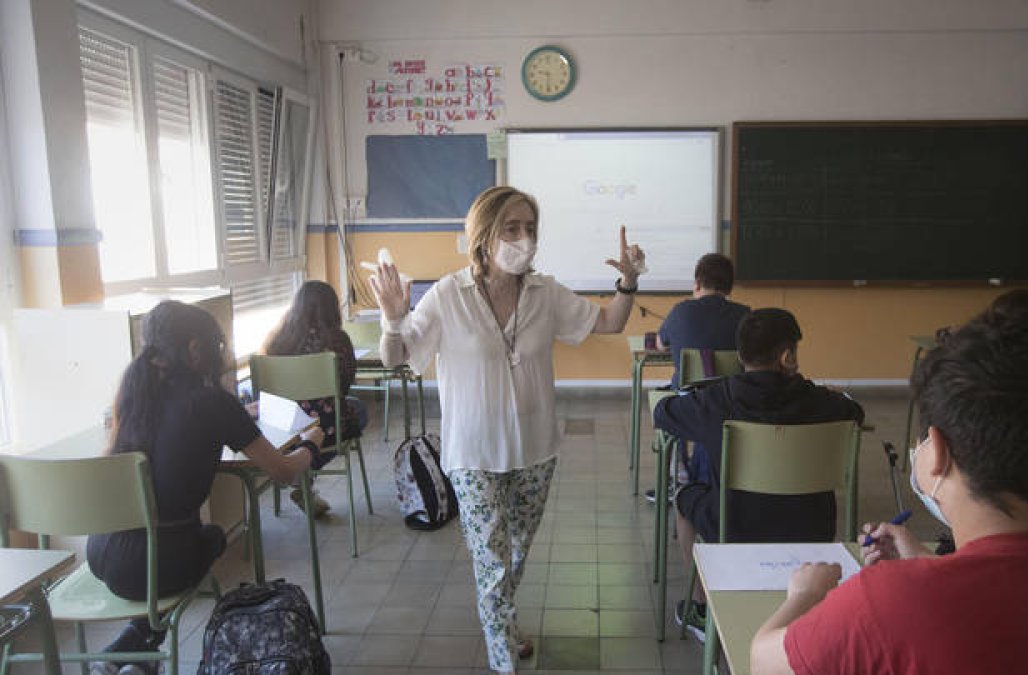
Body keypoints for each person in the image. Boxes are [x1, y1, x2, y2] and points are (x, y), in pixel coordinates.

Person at [750, 310, 1028, 675]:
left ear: (939, 453)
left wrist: (806, 594)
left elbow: (763, 661)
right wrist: (929, 564)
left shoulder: (886, 603)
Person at [369, 185, 645, 674]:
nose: (524, 239)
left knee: (514, 556)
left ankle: (505, 624)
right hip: (472, 455)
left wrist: (628, 283)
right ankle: (504, 662)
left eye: (531, 229)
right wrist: (393, 319)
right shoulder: (448, 295)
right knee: (492, 564)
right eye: (512, 228)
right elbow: (398, 357)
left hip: (535, 449)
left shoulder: (545, 292)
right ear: (485, 234)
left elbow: (608, 323)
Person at [88, 301, 322, 675]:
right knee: (212, 536)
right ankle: (136, 652)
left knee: (166, 551)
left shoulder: (133, 393)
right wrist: (312, 441)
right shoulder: (212, 402)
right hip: (156, 563)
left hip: (101, 552)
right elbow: (284, 472)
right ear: (195, 348)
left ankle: (134, 653)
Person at [653, 308, 864, 641]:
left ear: (740, 356)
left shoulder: (716, 401)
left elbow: (662, 413)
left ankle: (704, 611)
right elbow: (855, 411)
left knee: (684, 500)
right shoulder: (823, 404)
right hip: (811, 527)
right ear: (788, 356)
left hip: (734, 523)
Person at [264, 280, 369, 517]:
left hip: (283, 425)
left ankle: (299, 471)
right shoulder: (337, 340)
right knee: (359, 410)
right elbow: (343, 385)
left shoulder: (278, 340)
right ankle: (304, 472)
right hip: (322, 426)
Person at [651, 253, 751, 499]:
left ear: (697, 284)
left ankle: (680, 472)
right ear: (730, 287)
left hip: (688, 399)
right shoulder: (745, 315)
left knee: (668, 399)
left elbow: (661, 345)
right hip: (732, 401)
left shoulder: (681, 311)